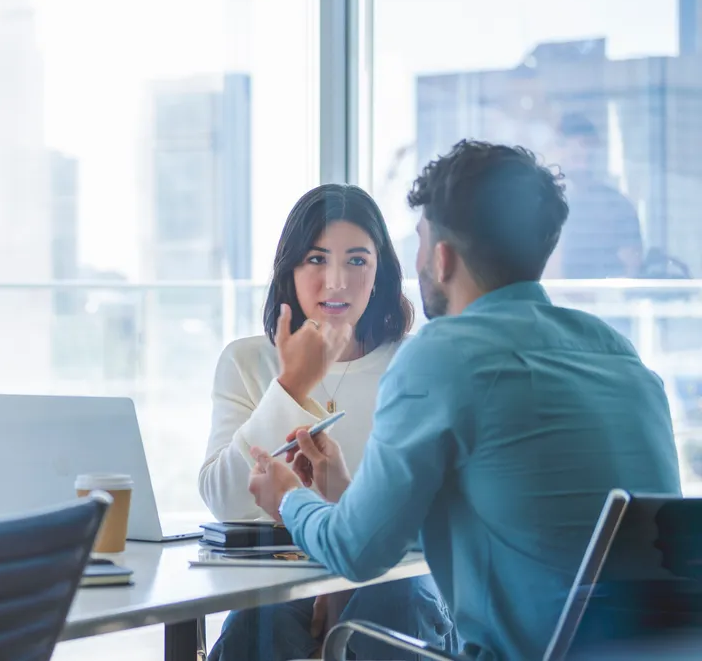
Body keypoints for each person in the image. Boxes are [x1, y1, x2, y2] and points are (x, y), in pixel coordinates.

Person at [246, 140, 681, 660]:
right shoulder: (621, 356)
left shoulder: (442, 356)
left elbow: (354, 553)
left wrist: (289, 497)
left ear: (442, 258)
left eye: (422, 241)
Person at [199, 184, 455, 660]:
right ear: (290, 270)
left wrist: (342, 577)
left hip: (399, 580)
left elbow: (435, 515)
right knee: (263, 619)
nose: (335, 281)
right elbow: (227, 503)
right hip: (282, 583)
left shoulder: (416, 362)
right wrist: (291, 387)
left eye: (357, 261)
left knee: (394, 604)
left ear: (379, 274)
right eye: (316, 260)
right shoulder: (247, 360)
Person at [550, 112, 643, 279]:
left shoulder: (617, 205)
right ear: (557, 151)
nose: (580, 152)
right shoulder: (540, 205)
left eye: (585, 146)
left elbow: (632, 269)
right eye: (570, 148)